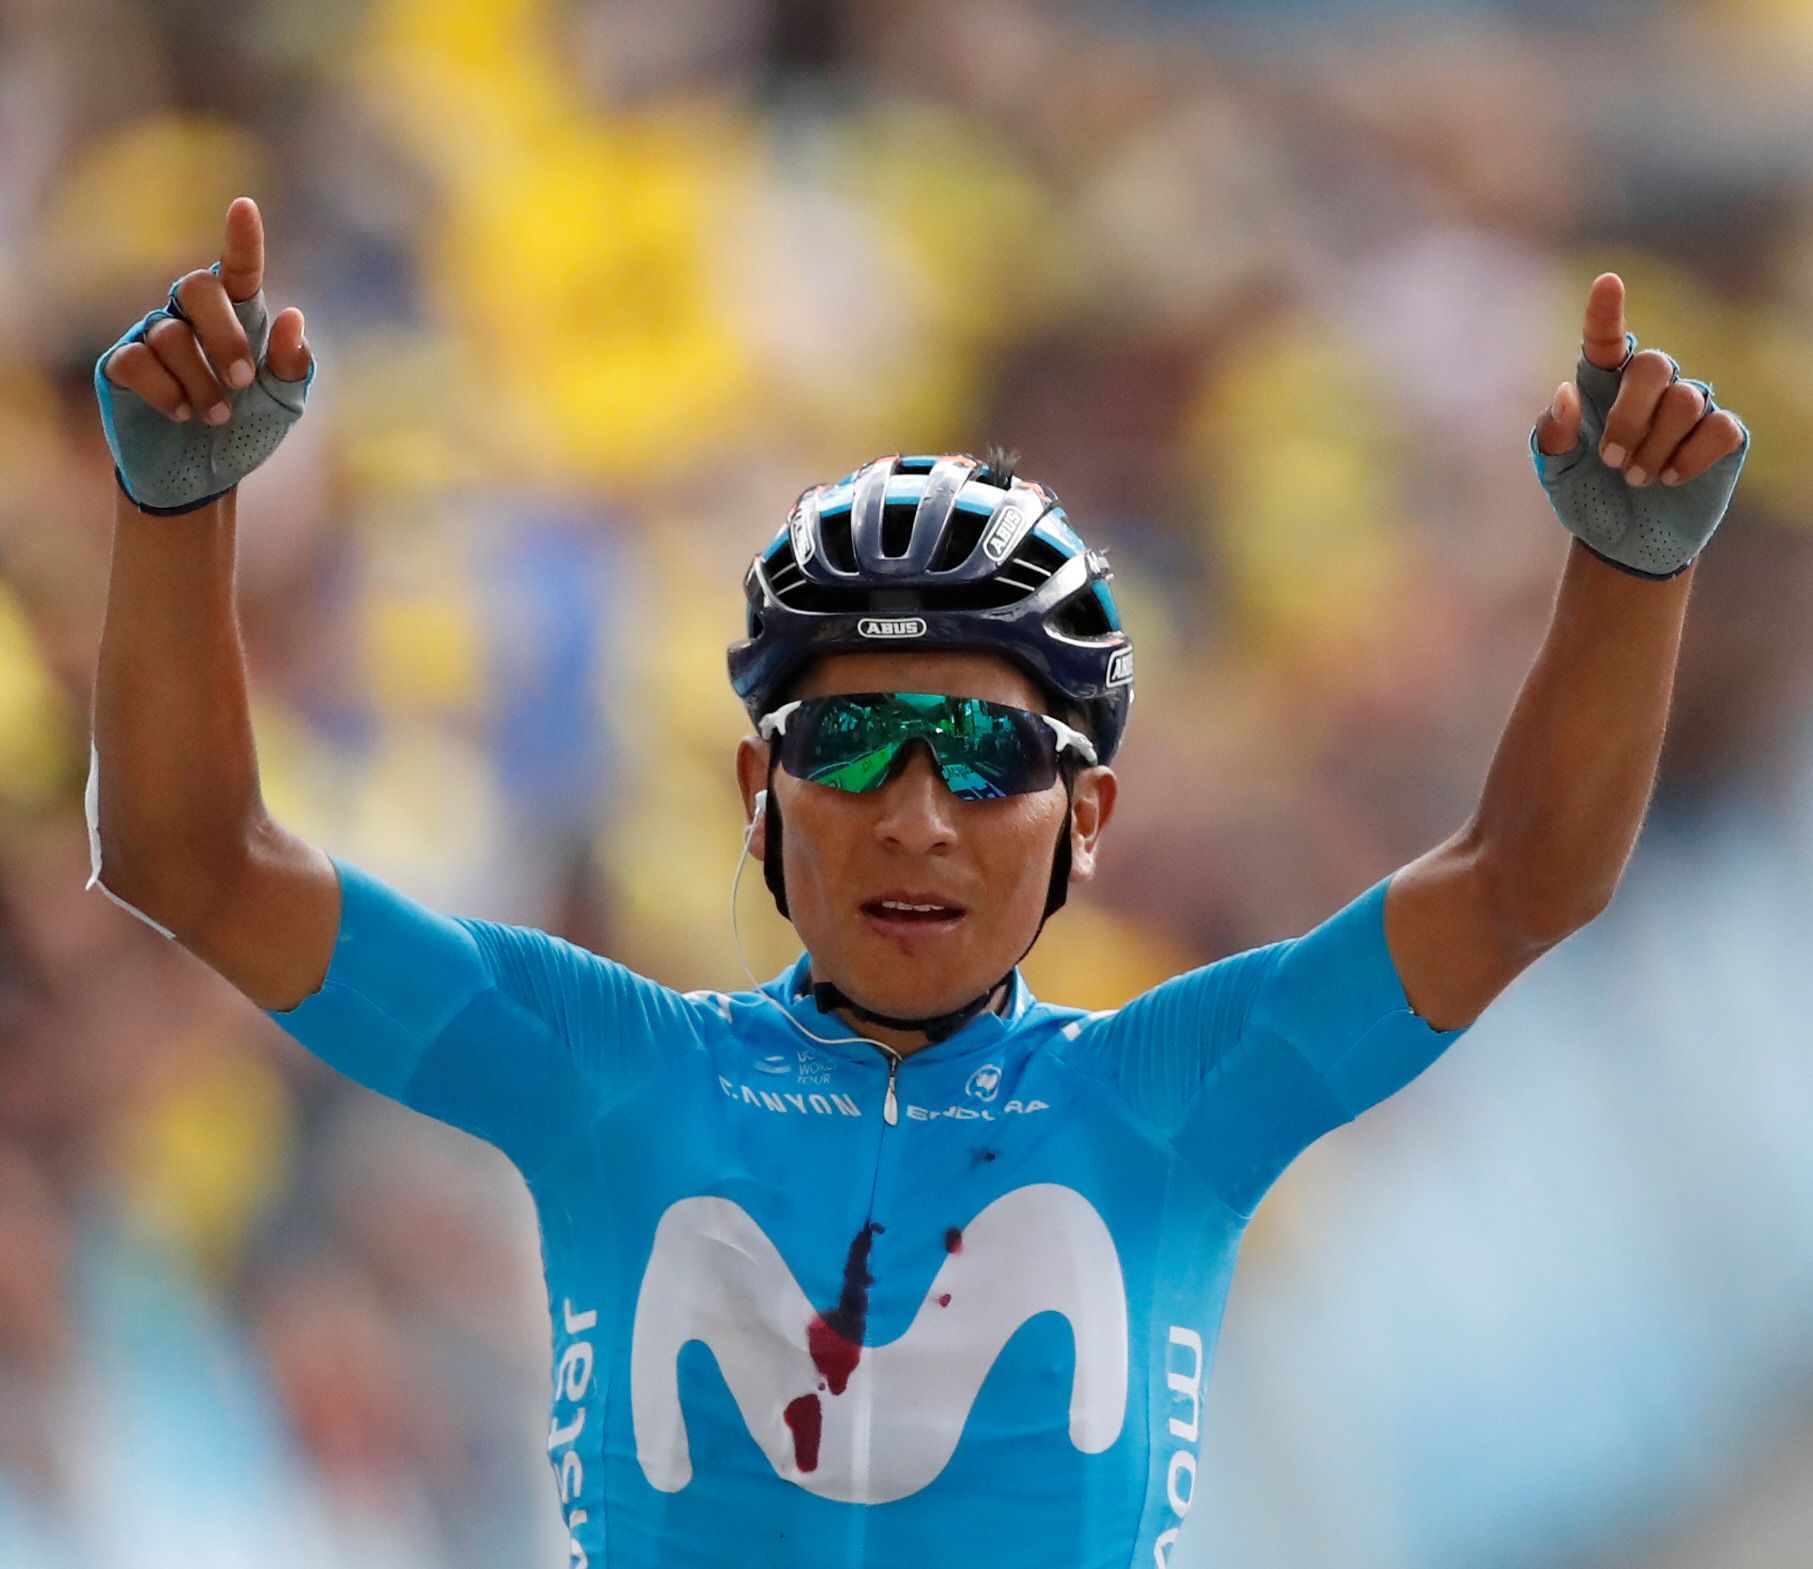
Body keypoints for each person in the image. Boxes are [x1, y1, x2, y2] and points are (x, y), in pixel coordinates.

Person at [87, 197, 1748, 1569]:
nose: (913, 815)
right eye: (851, 741)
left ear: (1085, 816)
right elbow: (191, 862)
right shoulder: (603, 1065)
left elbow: (1522, 881)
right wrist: (176, 508)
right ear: (758, 794)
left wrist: (1627, 573)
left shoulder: (1172, 1092)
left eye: (982, 750)